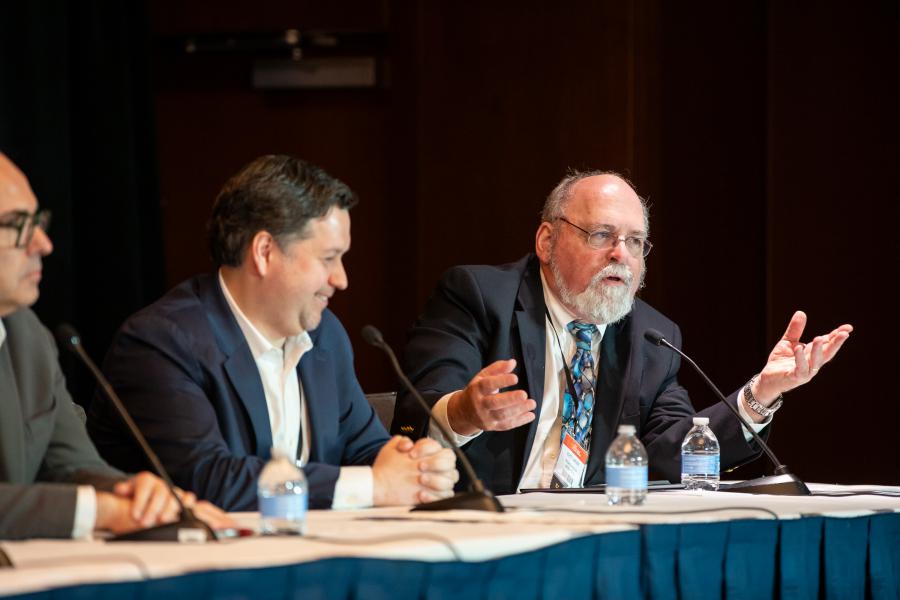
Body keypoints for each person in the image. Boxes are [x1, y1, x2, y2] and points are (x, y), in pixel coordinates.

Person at [392, 171, 853, 495]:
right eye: (601, 235)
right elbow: (416, 407)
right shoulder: (477, 296)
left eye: (635, 241)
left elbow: (673, 449)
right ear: (546, 241)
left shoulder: (650, 334)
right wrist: (466, 413)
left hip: (591, 538)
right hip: (481, 526)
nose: (621, 254)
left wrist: (761, 393)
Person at [88, 155, 458, 511]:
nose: (341, 279)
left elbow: (366, 450)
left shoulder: (325, 336)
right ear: (264, 251)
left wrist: (417, 468)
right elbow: (205, 480)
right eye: (328, 258)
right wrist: (375, 486)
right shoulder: (161, 342)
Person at [0, 152, 228, 540]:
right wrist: (97, 510)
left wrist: (135, 494)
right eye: (18, 225)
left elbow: (69, 465)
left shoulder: (28, 336)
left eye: (38, 221)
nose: (44, 243)